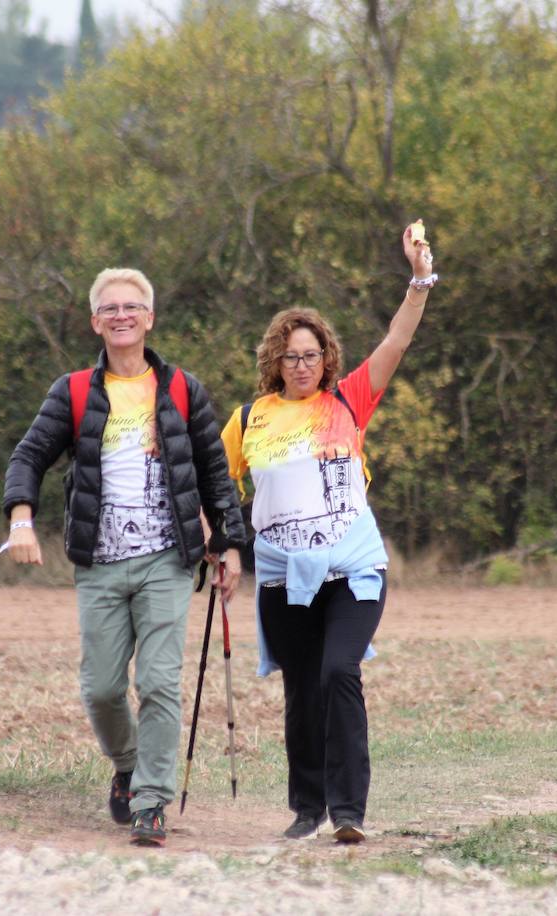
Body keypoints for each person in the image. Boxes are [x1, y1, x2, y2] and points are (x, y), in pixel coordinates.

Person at [3, 267, 246, 847]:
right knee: (103, 689)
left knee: (160, 683)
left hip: (168, 560)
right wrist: (20, 518)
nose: (120, 316)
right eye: (109, 308)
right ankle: (129, 764)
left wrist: (231, 543)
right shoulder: (75, 391)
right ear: (95, 321)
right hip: (100, 562)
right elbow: (29, 455)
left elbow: (216, 473)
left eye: (131, 306)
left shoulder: (183, 390)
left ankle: (151, 803)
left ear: (149, 318)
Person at [219, 222, 439, 844]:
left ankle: (348, 813)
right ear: (275, 360)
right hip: (284, 576)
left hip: (353, 570)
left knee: (339, 671)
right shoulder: (250, 418)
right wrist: (221, 544)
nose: (302, 365)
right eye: (291, 355)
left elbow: (396, 341)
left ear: (327, 359)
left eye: (312, 354)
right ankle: (306, 810)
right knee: (301, 691)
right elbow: (216, 483)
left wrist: (419, 279)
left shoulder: (349, 401)